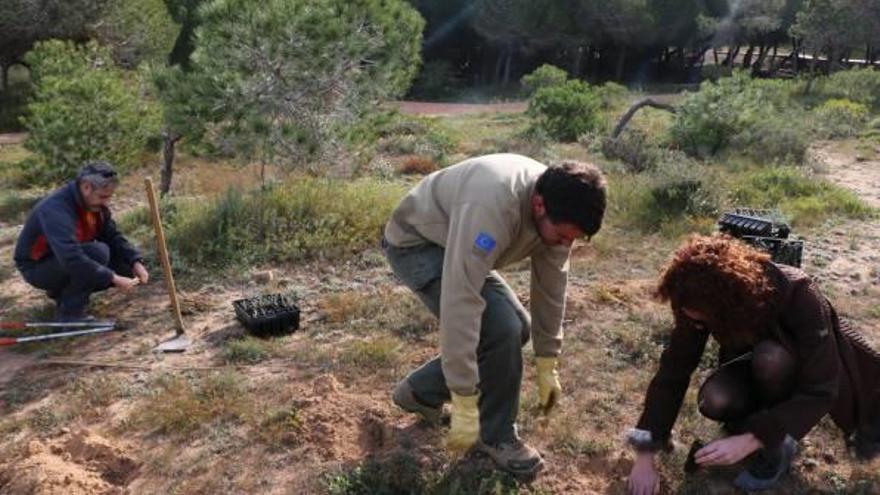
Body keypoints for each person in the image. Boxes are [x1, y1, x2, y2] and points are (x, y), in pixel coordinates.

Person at [382, 153, 607, 475]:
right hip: (417, 244)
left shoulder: (561, 205)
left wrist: (547, 361)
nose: (564, 244)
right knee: (501, 329)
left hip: (457, 240)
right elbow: (462, 301)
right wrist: (463, 395)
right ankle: (496, 436)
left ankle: (419, 392)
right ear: (539, 206)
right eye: (562, 236)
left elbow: (551, 289)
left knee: (517, 328)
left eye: (572, 239)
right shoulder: (492, 208)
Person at [627, 234, 880, 494]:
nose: (695, 323)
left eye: (702, 319)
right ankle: (755, 427)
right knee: (715, 398)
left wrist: (753, 439)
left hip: (796, 379)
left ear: (729, 307)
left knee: (771, 359)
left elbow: (823, 388)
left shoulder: (800, 295)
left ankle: (778, 445)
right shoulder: (695, 300)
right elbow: (673, 371)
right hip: (753, 372)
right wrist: (646, 454)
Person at [14, 161, 148, 321]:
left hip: (64, 260)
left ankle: (64, 293)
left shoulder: (95, 205)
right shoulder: (56, 209)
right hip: (36, 267)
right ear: (86, 187)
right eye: (103, 197)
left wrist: (135, 261)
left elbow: (112, 236)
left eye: (109, 197)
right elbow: (71, 258)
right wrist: (112, 277)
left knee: (125, 267)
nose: (107, 202)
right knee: (98, 253)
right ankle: (70, 315)